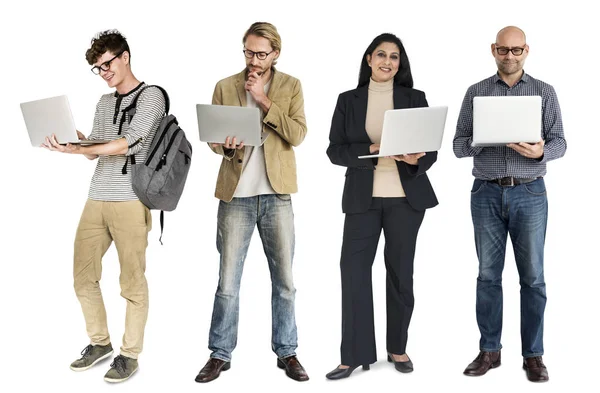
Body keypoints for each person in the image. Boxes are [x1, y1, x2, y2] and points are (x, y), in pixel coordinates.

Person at [42, 30, 166, 383]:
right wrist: (73, 140)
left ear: (125, 56)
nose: (104, 71)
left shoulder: (151, 96)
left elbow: (130, 143)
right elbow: (98, 148)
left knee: (131, 282)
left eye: (107, 63)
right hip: (96, 196)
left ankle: (130, 355)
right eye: (98, 67)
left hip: (131, 200)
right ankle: (100, 344)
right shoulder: (103, 102)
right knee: (82, 277)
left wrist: (82, 149)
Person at [195, 21, 309, 383]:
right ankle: (219, 353)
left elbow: (298, 134)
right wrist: (223, 145)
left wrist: (263, 100)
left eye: (261, 53)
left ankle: (287, 351)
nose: (254, 60)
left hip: (276, 195)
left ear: (276, 53)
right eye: (248, 51)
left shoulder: (291, 86)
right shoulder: (225, 86)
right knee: (227, 282)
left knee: (285, 281)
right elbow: (212, 138)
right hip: (236, 196)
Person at [453, 26, 566, 383]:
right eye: (504, 50)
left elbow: (561, 141)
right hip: (485, 192)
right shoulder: (477, 92)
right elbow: (458, 145)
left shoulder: (544, 92)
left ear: (526, 51)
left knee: (533, 278)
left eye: (517, 50)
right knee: (488, 276)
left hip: (530, 193)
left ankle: (533, 355)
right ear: (493, 50)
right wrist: (484, 139)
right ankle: (490, 350)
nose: (510, 56)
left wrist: (541, 151)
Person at [325, 33, 438, 380]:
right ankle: (353, 354)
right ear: (369, 59)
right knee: (353, 272)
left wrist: (414, 157)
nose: (387, 61)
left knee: (400, 275)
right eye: (381, 55)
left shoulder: (414, 98)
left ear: (399, 64)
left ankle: (397, 347)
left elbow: (430, 151)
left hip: (406, 200)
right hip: (363, 199)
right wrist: (373, 150)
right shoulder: (349, 100)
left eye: (394, 56)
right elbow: (334, 151)